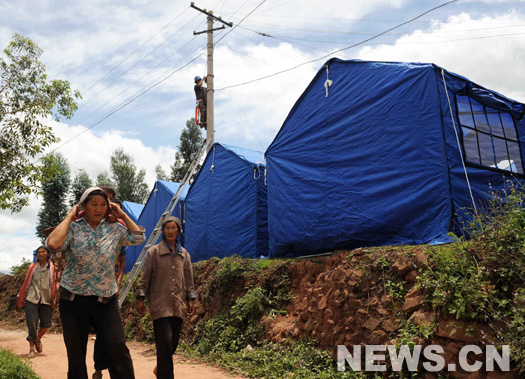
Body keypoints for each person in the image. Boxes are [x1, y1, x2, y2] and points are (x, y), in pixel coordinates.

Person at [47, 187, 146, 379]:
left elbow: (138, 237)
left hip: (105, 299)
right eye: (93, 204)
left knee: (117, 347)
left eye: (103, 204)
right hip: (73, 300)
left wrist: (122, 215)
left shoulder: (116, 229)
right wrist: (69, 216)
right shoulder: (73, 229)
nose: (99, 209)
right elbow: (53, 244)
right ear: (83, 206)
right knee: (76, 355)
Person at [136, 216, 196, 379]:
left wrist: (190, 298)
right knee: (165, 341)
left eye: (173, 228)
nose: (170, 231)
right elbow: (145, 277)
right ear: (163, 231)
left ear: (178, 231)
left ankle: (161, 365)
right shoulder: (153, 252)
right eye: (167, 228)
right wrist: (141, 297)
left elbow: (189, 279)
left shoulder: (184, 255)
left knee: (172, 343)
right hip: (159, 304)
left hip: (178, 305)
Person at [16, 246, 58, 358]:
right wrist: (21, 297)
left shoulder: (54, 268)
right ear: (36, 255)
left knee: (46, 324)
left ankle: (38, 339)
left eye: (43, 251)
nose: (41, 253)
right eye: (39, 252)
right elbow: (26, 283)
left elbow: (57, 284)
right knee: (32, 324)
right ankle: (31, 349)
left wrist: (56, 297)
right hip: (32, 298)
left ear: (48, 254)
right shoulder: (32, 267)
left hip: (47, 299)